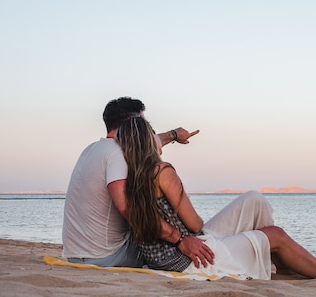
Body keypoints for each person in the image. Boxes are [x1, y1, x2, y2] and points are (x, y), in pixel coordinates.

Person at [116, 116, 316, 281]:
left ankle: (277, 264)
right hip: (189, 258)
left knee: (253, 199)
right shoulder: (162, 171)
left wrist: (175, 135)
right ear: (149, 140)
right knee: (276, 234)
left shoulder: (126, 174)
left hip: (165, 256)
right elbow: (195, 225)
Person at [62, 97, 212, 268]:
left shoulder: (92, 149)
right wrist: (181, 240)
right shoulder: (118, 154)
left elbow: (146, 144)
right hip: (108, 256)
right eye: (142, 122)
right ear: (133, 125)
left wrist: (174, 135)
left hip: (76, 254)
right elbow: (129, 209)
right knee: (160, 226)